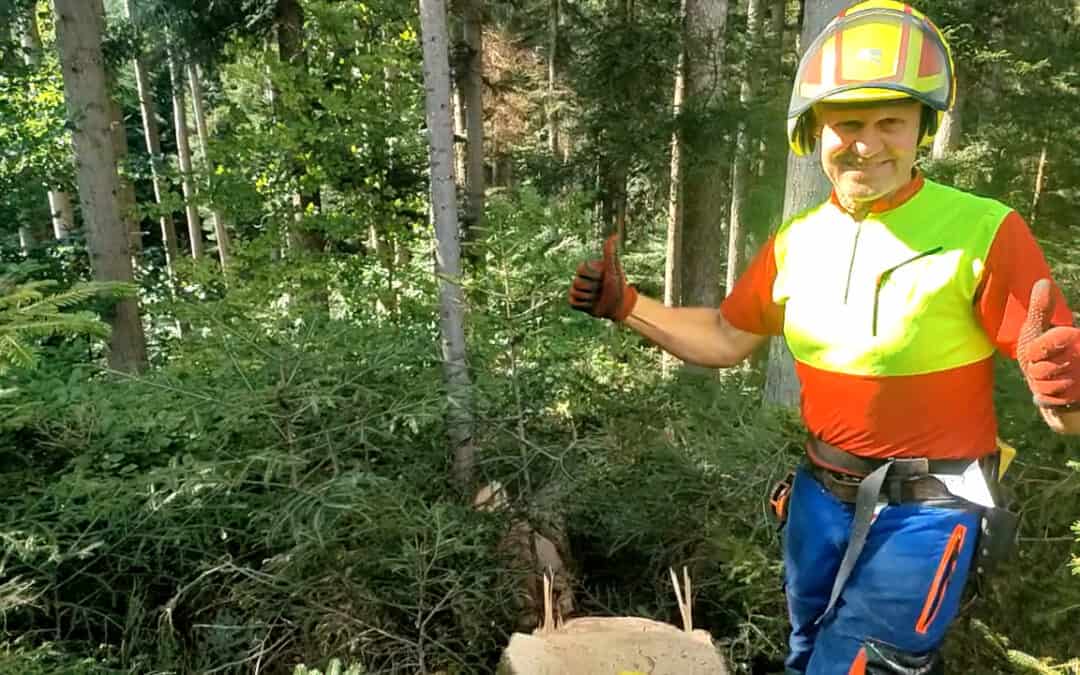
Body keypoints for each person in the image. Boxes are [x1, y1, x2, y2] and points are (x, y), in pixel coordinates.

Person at [567, 1, 1080, 673]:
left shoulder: (985, 230)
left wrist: (1064, 393)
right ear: (813, 132)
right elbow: (726, 335)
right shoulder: (797, 241)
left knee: (853, 663)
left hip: (930, 512)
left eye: (890, 121)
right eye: (846, 122)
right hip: (819, 498)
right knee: (805, 651)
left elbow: (1062, 401)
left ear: (923, 127)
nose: (867, 143)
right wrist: (625, 304)